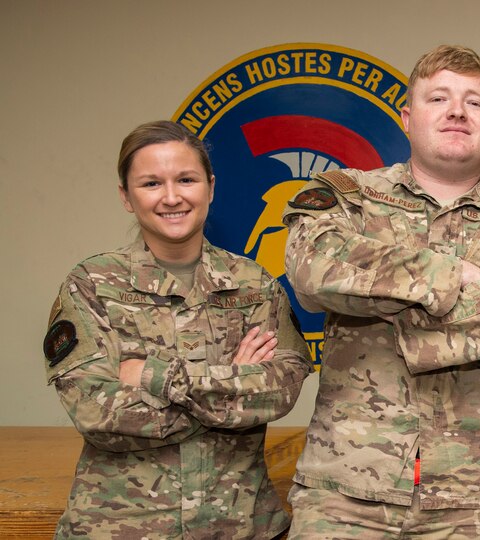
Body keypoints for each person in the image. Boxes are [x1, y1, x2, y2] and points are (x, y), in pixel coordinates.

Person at [281, 45, 480, 538]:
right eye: (438, 98)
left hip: (475, 497)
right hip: (346, 493)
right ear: (407, 117)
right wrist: (454, 274)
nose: (457, 111)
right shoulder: (347, 196)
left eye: (474, 102)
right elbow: (312, 270)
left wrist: (385, 302)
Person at [43, 120, 312, 539]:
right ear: (126, 197)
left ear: (210, 187)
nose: (171, 197)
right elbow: (95, 411)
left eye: (186, 179)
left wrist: (152, 375)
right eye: (151, 183)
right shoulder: (92, 284)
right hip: (121, 527)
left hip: (242, 527)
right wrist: (233, 386)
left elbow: (281, 391)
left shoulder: (255, 284)